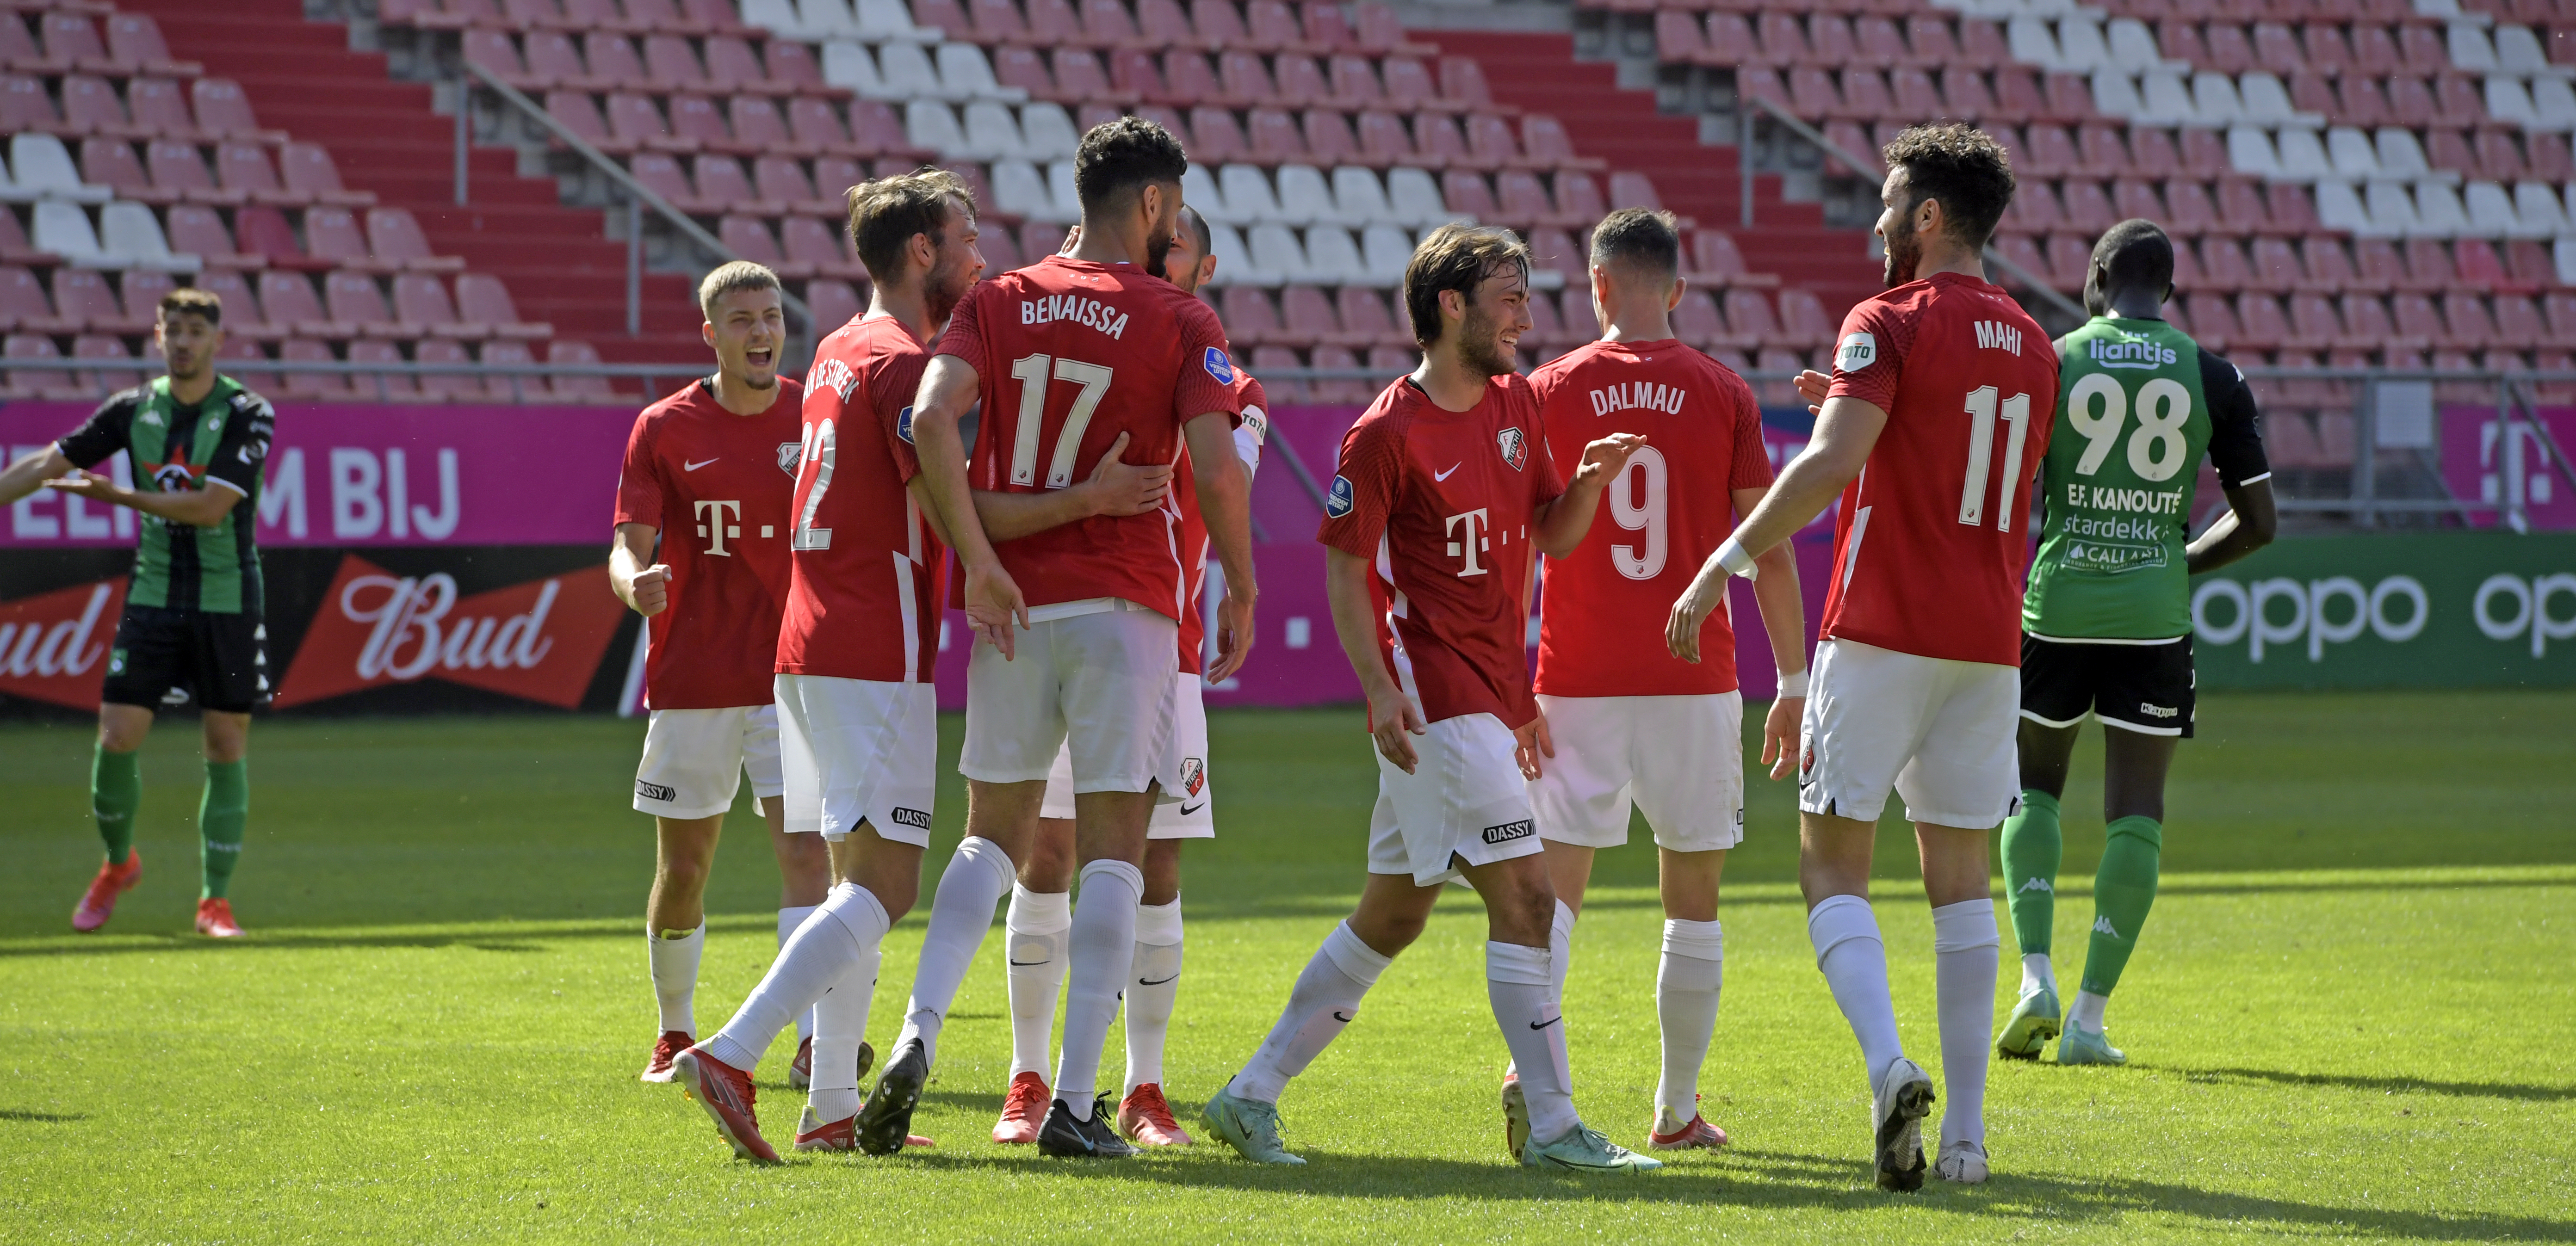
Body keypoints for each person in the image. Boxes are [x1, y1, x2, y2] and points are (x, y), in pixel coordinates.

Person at [1199, 223, 1660, 1173]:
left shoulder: (1516, 403)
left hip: (1485, 697)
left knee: (1395, 914)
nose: (1526, 315)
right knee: (1527, 899)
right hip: (1432, 698)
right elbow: (1345, 570)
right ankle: (1554, 1127)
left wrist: (1587, 484)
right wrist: (1377, 687)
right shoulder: (1385, 433)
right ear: (1451, 305)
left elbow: (1552, 534)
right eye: (1509, 298)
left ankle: (1248, 1097)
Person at [860, 117, 1257, 1160]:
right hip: (1125, 608)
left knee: (991, 838)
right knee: (1116, 854)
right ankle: (1080, 1103)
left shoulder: (999, 298)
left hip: (1014, 608)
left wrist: (979, 559)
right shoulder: (1177, 313)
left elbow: (930, 422)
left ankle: (917, 1034)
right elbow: (1217, 469)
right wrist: (1245, 584)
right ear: (1155, 204)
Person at [1690, 123, 2056, 1190]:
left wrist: (1725, 558)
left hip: (1883, 633)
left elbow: (1829, 464)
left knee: (1830, 865)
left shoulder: (1887, 318)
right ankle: (1970, 1143)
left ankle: (1890, 1065)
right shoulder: (2035, 342)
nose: (1879, 224)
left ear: (1929, 217)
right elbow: (1949, 456)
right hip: (1987, 646)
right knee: (1962, 884)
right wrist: (1867, 425)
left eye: (1892, 206)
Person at [666, 172, 983, 1161]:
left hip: (806, 645)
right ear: (923, 253)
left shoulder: (840, 347)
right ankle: (732, 1052)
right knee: (886, 885)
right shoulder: (902, 365)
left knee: (852, 879)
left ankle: (832, 1105)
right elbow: (943, 507)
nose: (979, 261)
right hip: (871, 645)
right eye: (967, 242)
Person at [1523, 207, 1808, 1153]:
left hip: (1575, 677)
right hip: (1694, 679)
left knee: (1555, 894)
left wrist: (1508, 677)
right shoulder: (1724, 393)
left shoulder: (1548, 389)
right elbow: (1769, 550)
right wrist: (1793, 679)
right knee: (1693, 899)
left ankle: (1534, 1074)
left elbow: (1523, 543)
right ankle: (1676, 1108)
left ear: (1597, 284)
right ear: (1679, 287)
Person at [991, 204, 1270, 1149]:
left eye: (1179, 246)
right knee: (1046, 851)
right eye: (1159, 237)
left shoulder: (1225, 377)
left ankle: (1143, 1086)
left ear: (1204, 266)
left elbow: (1221, 487)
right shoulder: (1090, 345)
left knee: (1157, 866)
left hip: (1163, 647)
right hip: (1067, 628)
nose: (1161, 253)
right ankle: (1030, 1078)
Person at [1994, 218, 2276, 1067]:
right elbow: (2260, 523)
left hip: (2056, 608)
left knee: (2032, 791)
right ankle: (2088, 1020)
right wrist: (2177, 561)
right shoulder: (2214, 375)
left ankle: (2034, 977)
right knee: (2137, 810)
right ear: (2170, 290)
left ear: (2096, 278)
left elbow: (2005, 490)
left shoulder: (2054, 360)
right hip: (2154, 616)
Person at [609, 262, 829, 1088]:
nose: (761, 332)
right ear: (711, 334)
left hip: (793, 678)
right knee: (684, 869)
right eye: (742, 320)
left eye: (771, 316)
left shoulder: (815, 414)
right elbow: (627, 543)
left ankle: (814, 1041)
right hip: (695, 679)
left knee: (807, 856)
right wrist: (633, 582)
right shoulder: (663, 427)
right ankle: (675, 1029)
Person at [0, 288, 274, 939]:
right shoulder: (133, 409)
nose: (183, 342)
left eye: (196, 331)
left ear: (218, 341)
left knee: (225, 743)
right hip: (154, 594)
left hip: (228, 595)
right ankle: (119, 864)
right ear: (158, 336)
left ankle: (215, 902)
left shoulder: (247, 412)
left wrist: (119, 496)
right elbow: (47, 463)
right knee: (118, 737)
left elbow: (210, 508)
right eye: (173, 330)